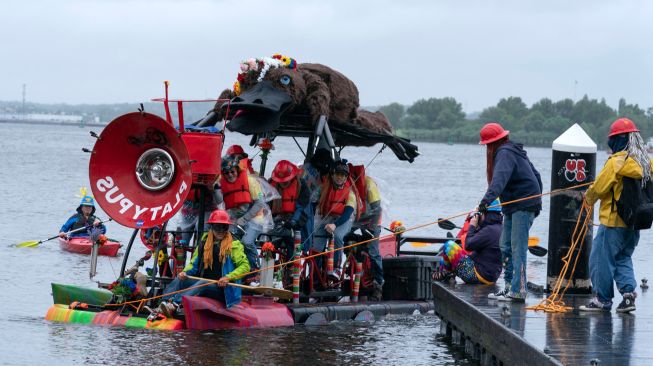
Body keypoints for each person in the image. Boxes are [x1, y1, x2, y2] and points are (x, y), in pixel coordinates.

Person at [579, 118, 652, 313]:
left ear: (617, 140)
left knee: (599, 260)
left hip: (612, 222)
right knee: (622, 258)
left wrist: (587, 197)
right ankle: (628, 297)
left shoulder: (616, 162)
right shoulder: (647, 162)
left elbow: (600, 187)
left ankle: (602, 300)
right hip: (635, 222)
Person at [478, 122, 542, 302]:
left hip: (523, 206)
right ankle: (508, 286)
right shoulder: (512, 150)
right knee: (505, 246)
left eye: (487, 146)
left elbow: (499, 181)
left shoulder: (505, 153)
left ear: (492, 144)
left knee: (518, 248)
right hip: (514, 206)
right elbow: (536, 176)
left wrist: (484, 203)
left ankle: (519, 289)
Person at [153, 209, 250, 317]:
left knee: (202, 282)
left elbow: (245, 266)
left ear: (227, 228)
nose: (220, 230)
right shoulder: (204, 243)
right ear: (211, 227)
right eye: (217, 227)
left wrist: (228, 277)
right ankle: (163, 303)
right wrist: (185, 272)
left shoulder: (234, 245)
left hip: (223, 290)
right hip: (203, 283)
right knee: (180, 279)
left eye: (224, 227)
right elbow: (193, 265)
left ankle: (175, 304)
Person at [217, 156, 268, 282]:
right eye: (226, 173)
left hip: (256, 217)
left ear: (237, 170)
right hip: (235, 218)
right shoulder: (220, 182)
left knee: (247, 242)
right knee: (229, 241)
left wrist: (244, 219)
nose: (230, 175)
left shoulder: (251, 181)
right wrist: (214, 190)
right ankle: (236, 270)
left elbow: (260, 203)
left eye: (232, 172)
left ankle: (256, 270)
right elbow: (219, 201)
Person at [433, 200, 503, 285]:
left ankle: (446, 275)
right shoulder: (500, 228)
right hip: (491, 277)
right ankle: (447, 275)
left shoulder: (488, 231)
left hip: (479, 276)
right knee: (443, 260)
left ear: (485, 214)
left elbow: (468, 245)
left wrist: (472, 226)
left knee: (448, 246)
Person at [312, 160, 360, 279]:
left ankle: (336, 269)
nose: (339, 177)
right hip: (326, 217)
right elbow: (312, 203)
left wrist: (334, 225)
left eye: (343, 175)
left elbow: (348, 213)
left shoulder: (350, 193)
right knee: (316, 244)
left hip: (344, 220)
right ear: (332, 175)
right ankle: (315, 274)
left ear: (346, 178)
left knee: (338, 236)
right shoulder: (322, 189)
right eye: (337, 174)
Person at [349, 163, 385, 300]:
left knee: (374, 251)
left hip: (373, 219)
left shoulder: (369, 185)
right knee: (345, 239)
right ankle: (353, 266)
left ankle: (378, 284)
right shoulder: (348, 184)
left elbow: (378, 209)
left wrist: (372, 227)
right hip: (357, 218)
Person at [269, 160, 311, 257]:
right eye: (280, 180)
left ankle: (291, 265)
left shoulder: (301, 185)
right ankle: (269, 265)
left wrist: (293, 221)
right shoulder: (271, 183)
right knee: (269, 245)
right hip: (277, 219)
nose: (283, 183)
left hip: (296, 218)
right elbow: (265, 202)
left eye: (285, 180)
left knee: (292, 244)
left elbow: (300, 207)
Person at [300, 148, 334, 252]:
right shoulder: (319, 172)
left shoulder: (305, 168)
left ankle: (309, 250)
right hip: (309, 204)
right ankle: (309, 248)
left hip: (303, 202)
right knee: (310, 229)